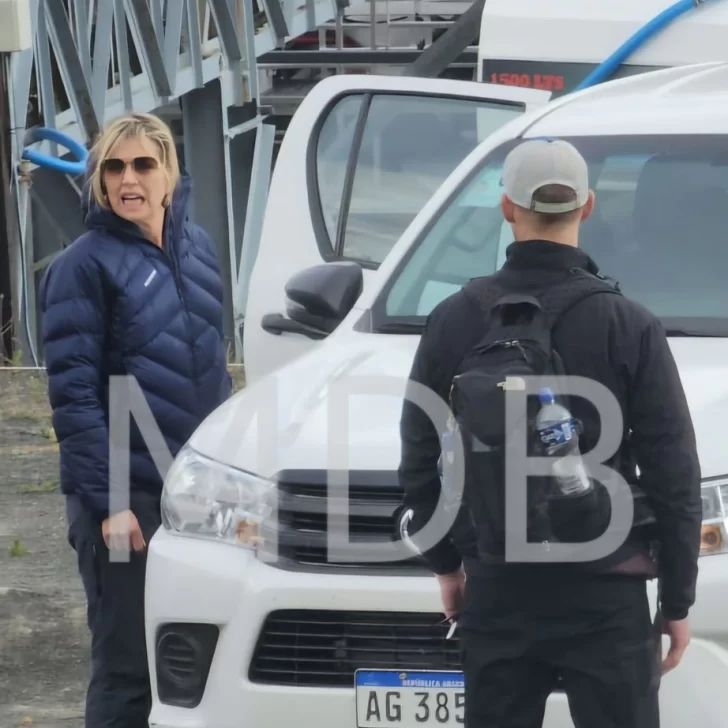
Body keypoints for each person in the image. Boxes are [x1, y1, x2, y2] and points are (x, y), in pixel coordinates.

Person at [398, 138, 702, 728]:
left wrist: (447, 566)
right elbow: (673, 471)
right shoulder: (629, 323)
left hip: (497, 583)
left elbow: (418, 457)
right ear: (587, 208)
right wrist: (677, 598)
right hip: (607, 591)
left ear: (507, 208)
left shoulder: (454, 319)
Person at [39, 112, 232, 727]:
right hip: (126, 501)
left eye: (143, 164)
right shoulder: (83, 266)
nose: (129, 179)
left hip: (195, 500)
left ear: (169, 174)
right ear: (98, 178)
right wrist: (110, 502)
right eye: (114, 167)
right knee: (125, 669)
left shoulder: (197, 250)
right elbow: (74, 399)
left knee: (193, 665)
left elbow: (215, 374)